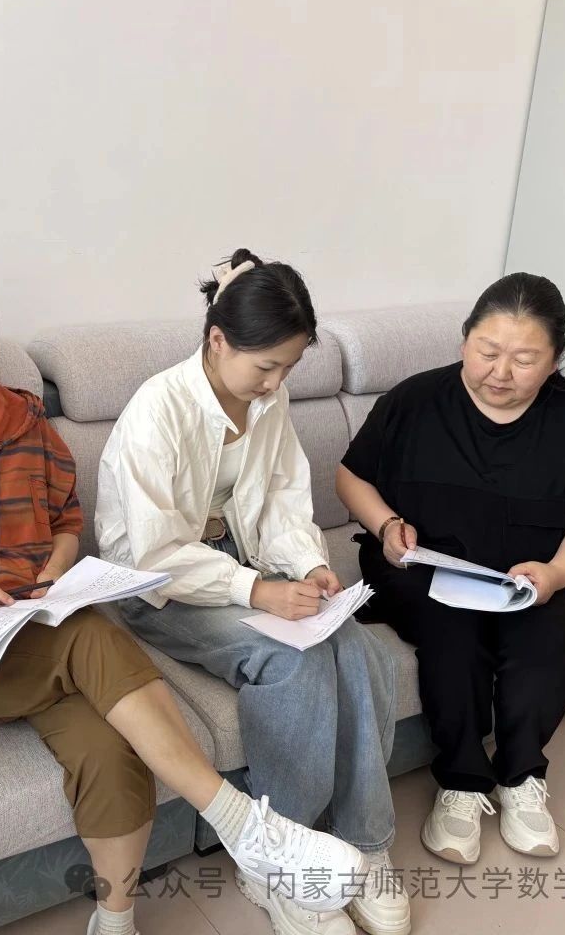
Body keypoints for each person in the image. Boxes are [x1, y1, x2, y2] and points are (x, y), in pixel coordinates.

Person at [0, 260, 367, 935]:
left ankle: (114, 920)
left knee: (112, 751)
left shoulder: (24, 417)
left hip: (29, 625)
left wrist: (54, 572)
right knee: (90, 635)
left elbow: (64, 521)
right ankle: (242, 825)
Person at [96, 249, 408, 935]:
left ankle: (364, 840)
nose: (275, 383)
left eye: (288, 368)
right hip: (157, 586)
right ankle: (278, 863)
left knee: (361, 651)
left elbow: (283, 500)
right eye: (266, 366)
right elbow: (153, 554)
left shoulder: (270, 400)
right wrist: (258, 591)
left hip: (243, 564)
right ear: (217, 339)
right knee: (295, 661)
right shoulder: (158, 410)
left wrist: (308, 565)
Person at [336, 272, 565, 866]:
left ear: (555, 361)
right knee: (454, 639)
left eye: (524, 360)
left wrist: (555, 574)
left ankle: (521, 778)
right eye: (488, 351)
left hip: (525, 578)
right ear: (465, 339)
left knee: (546, 650)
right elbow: (352, 477)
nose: (501, 372)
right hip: (421, 567)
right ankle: (462, 784)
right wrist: (387, 526)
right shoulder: (414, 401)